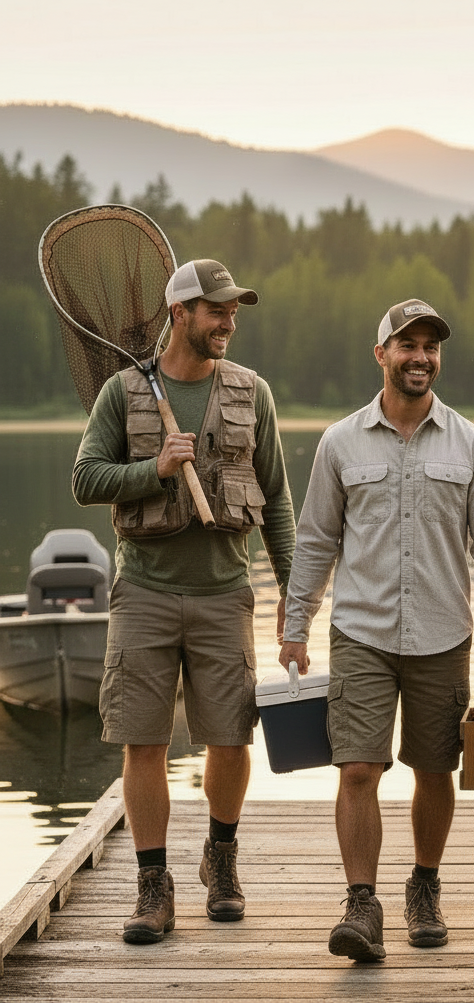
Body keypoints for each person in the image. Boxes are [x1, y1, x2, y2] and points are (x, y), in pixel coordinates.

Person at [279, 298, 474, 963]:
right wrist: (296, 623)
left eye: (430, 347)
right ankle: (362, 905)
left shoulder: (472, 444)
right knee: (358, 767)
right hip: (360, 630)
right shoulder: (340, 442)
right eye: (407, 345)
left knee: (435, 769)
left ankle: (424, 885)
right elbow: (316, 539)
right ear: (381, 353)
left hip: (444, 633)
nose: (420, 357)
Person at [72, 259, 295, 944]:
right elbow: (86, 479)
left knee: (230, 739)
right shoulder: (121, 392)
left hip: (226, 594)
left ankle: (220, 859)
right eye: (217, 309)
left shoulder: (253, 392)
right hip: (143, 593)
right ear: (180, 314)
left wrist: (294, 592)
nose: (229, 320)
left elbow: (277, 499)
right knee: (143, 741)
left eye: (234, 310)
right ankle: (152, 884)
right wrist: (155, 469)